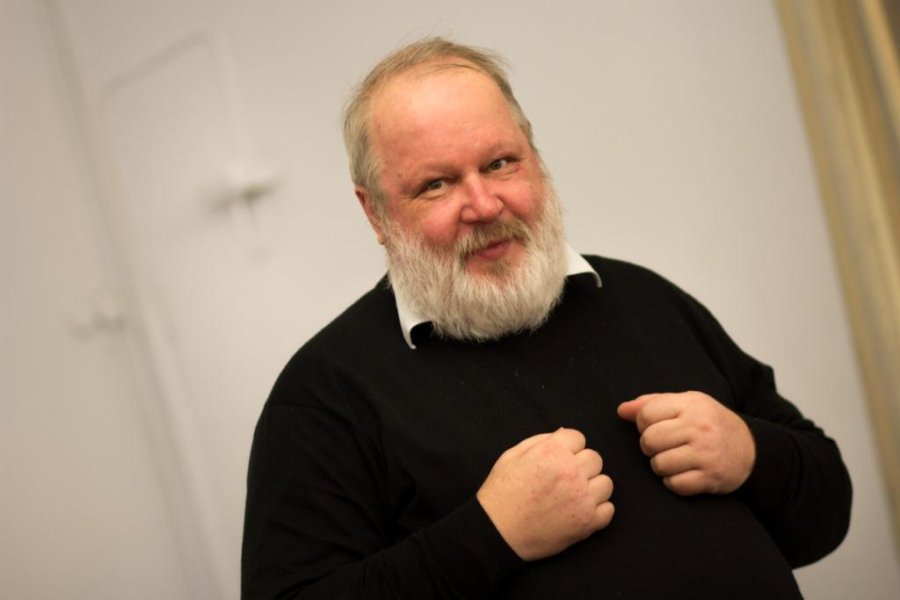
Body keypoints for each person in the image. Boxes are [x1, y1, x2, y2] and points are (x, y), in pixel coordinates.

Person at [241, 37, 851, 599]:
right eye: (437, 184)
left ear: (535, 156)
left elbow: (827, 515)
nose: (484, 205)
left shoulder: (645, 297)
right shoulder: (325, 395)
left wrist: (751, 454)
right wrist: (489, 536)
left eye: (500, 163)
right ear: (374, 213)